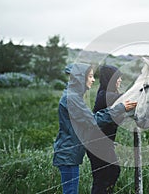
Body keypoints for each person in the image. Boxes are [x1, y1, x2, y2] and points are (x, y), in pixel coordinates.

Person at [53, 63, 137, 194]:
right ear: (81, 78)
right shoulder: (72, 98)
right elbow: (93, 121)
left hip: (70, 153)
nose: (93, 80)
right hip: (68, 154)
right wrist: (121, 108)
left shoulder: (74, 96)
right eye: (90, 76)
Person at [86, 65, 124, 194]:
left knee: (113, 171)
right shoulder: (106, 96)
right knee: (101, 179)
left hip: (103, 143)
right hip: (96, 144)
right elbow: (127, 100)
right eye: (118, 78)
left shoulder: (107, 94)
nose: (120, 80)